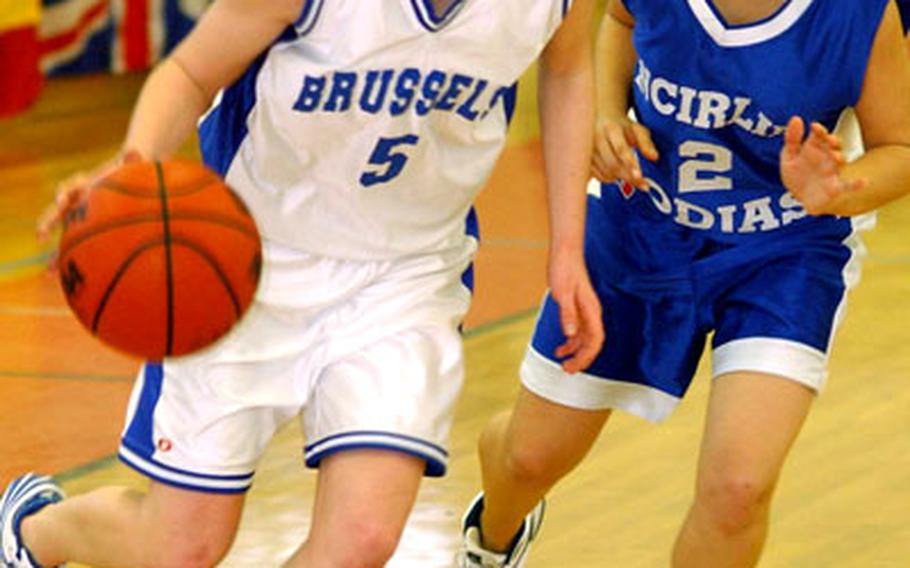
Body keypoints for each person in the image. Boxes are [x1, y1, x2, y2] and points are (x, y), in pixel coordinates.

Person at [0, 0, 605, 566]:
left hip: (407, 274)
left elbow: (570, 69)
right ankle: (34, 527)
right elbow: (188, 73)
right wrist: (132, 165)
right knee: (181, 547)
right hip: (248, 267)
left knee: (362, 539)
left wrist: (567, 250)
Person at [458, 1, 910, 567]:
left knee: (738, 490)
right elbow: (621, 25)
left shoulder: (860, 14)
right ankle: (493, 538)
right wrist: (605, 112)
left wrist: (840, 188)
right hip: (638, 222)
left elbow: (901, 147)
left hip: (786, 250)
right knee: (529, 458)